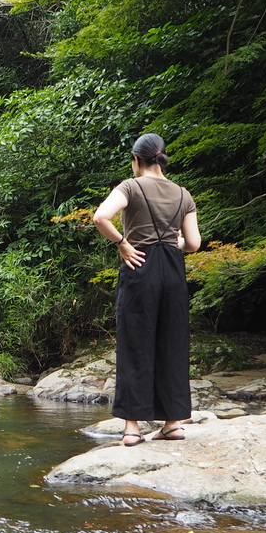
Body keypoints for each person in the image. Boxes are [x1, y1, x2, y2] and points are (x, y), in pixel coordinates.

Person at [93, 134, 201, 446]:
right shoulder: (183, 194)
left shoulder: (131, 186)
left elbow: (101, 217)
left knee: (135, 342)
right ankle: (173, 423)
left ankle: (131, 428)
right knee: (172, 342)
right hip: (172, 270)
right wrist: (172, 243)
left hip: (139, 266)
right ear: (162, 158)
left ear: (137, 160)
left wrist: (122, 243)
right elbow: (193, 244)